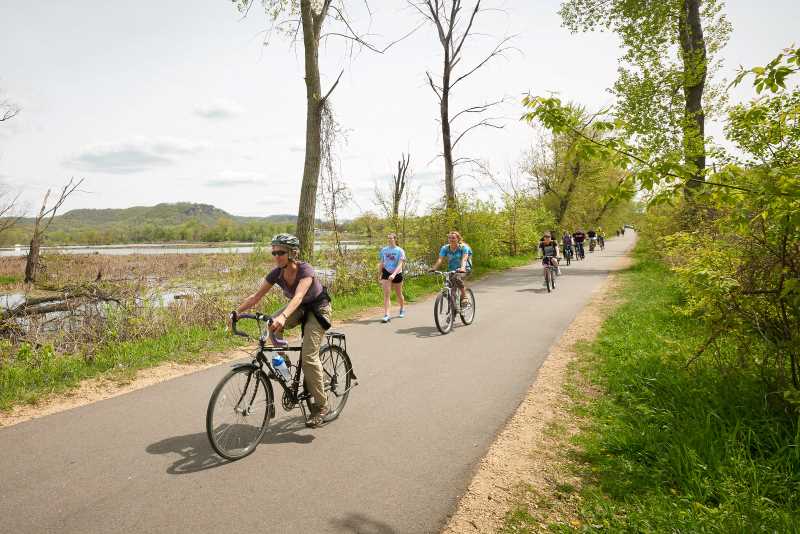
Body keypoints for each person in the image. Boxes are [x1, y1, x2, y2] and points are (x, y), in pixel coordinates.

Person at [232, 233, 331, 428]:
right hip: (300, 308)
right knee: (272, 325)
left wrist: (283, 316)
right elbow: (255, 297)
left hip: (318, 310)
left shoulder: (305, 270)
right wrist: (237, 312)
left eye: (281, 252)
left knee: (309, 357)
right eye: (274, 252)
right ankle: (284, 366)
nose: (276, 256)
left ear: (293, 253)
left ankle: (321, 406)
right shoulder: (276, 273)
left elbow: (298, 296)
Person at [430, 231, 473, 308]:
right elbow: (440, 259)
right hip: (452, 269)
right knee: (451, 288)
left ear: (458, 239)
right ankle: (453, 310)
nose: (451, 239)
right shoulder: (445, 248)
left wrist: (462, 268)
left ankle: (465, 297)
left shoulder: (463, 247)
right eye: (449, 238)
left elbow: (464, 258)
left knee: (457, 278)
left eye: (453, 238)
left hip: (464, 268)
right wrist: (434, 268)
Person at [378, 233, 406, 323]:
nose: (389, 240)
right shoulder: (384, 250)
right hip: (386, 272)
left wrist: (394, 274)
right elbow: (382, 262)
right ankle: (387, 315)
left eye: (391, 238)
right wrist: (379, 274)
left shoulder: (400, 250)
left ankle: (402, 308)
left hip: (397, 273)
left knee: (399, 294)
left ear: (395, 239)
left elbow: (400, 264)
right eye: (388, 238)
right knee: (386, 295)